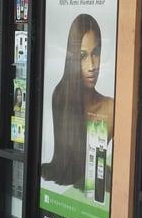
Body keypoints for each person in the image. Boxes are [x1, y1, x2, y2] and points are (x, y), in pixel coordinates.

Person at [41, 14, 114, 187]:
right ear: (72, 58)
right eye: (82, 56)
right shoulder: (60, 96)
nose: (92, 66)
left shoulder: (110, 107)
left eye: (95, 53)